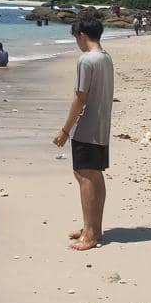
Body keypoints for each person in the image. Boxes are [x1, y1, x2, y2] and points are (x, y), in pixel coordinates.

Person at [52, 15, 114, 251]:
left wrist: (65, 129)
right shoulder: (106, 58)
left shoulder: (86, 60)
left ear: (82, 35)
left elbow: (81, 97)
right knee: (95, 175)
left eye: (76, 37)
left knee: (85, 176)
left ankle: (90, 234)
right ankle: (94, 227)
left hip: (87, 126)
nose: (76, 42)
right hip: (102, 124)